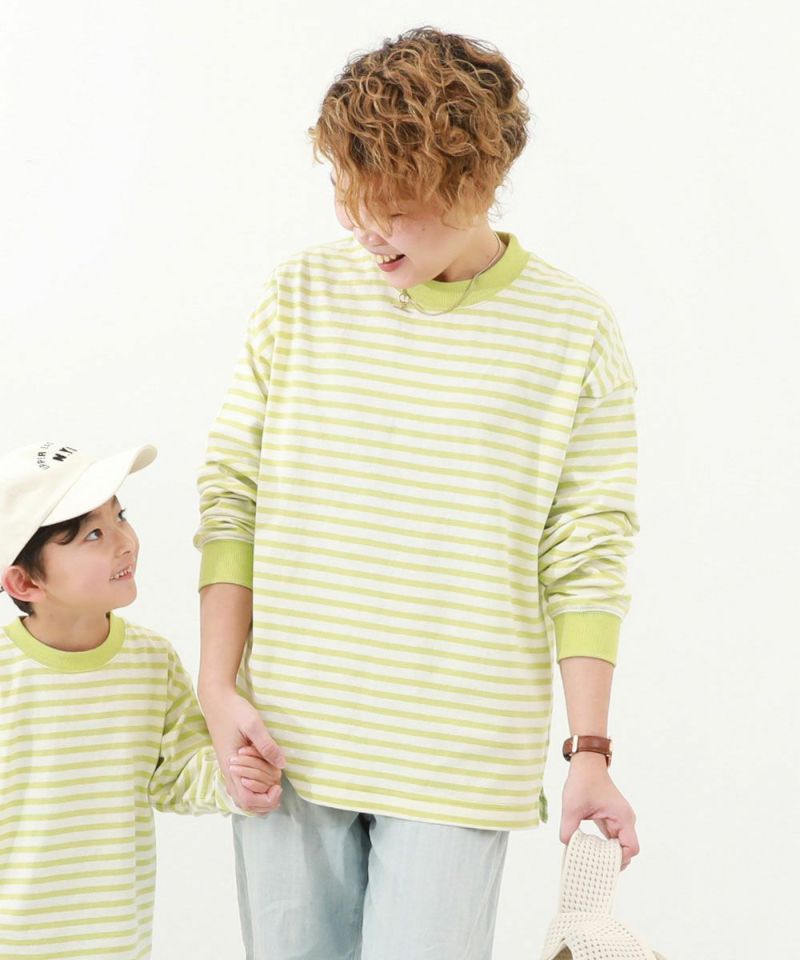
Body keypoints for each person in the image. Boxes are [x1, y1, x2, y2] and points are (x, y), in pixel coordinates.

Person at [195, 25, 641, 960]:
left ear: (476, 184)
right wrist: (217, 685)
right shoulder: (300, 296)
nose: (364, 231)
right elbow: (232, 494)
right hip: (287, 742)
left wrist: (591, 752)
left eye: (393, 209)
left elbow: (586, 555)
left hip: (458, 755)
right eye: (349, 198)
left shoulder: (574, 332)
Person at [0, 440, 282, 960]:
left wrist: (234, 779)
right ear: (25, 580)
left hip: (114, 944)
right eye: (93, 534)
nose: (124, 542)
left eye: (120, 516)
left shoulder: (151, 661)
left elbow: (176, 775)